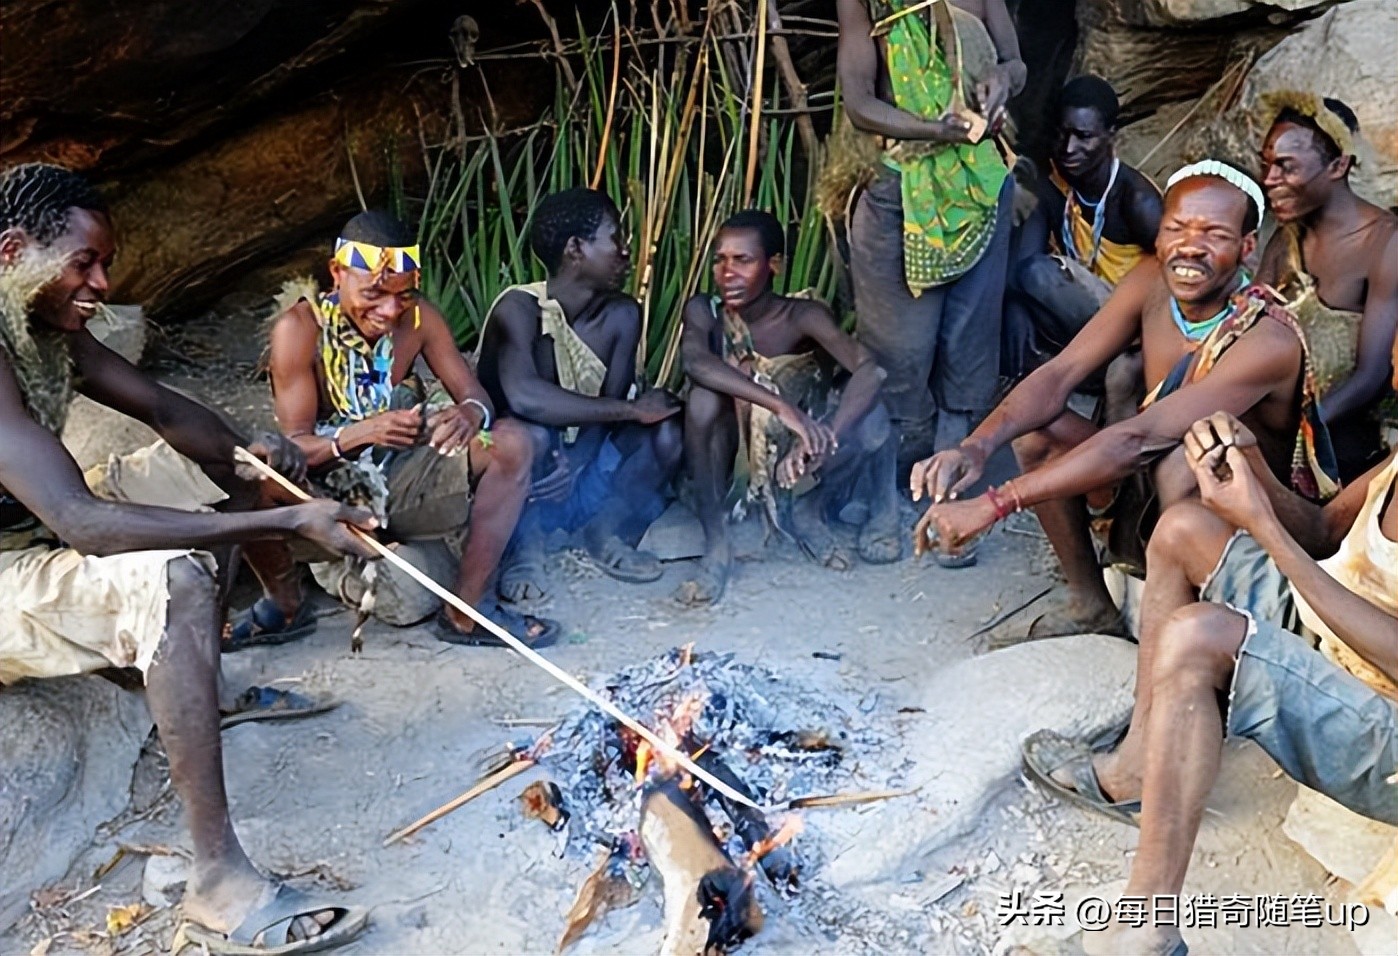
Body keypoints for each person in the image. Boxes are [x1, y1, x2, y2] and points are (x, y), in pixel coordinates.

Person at [0, 163, 374, 951]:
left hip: (38, 527)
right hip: (16, 561)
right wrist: (293, 518)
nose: (102, 283)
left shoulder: (40, 318)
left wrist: (258, 460)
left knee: (224, 465)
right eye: (85, 263)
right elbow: (81, 523)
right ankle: (217, 882)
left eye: (103, 264)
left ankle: (203, 684)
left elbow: (160, 405)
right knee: (174, 580)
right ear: (13, 252)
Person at [1023, 399, 1398, 955]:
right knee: (1182, 529)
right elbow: (1323, 531)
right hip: (1343, 643)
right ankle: (1137, 768)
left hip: (1388, 732)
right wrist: (1253, 469)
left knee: (1199, 638)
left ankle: (1145, 930)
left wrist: (1263, 527)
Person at [911, 160, 1339, 641]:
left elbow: (1139, 438)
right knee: (1039, 432)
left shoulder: (1266, 339)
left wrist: (995, 504)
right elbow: (1060, 374)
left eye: (1215, 234)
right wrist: (975, 447)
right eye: (1176, 228)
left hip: (1238, 513)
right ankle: (1092, 605)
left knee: (1191, 460)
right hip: (1149, 475)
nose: (1189, 246)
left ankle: (1189, 636)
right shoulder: (1151, 282)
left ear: (1246, 248)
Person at [267, 210, 559, 647]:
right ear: (337, 273)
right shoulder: (300, 329)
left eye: (402, 295)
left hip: (397, 473)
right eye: (374, 293)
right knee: (259, 471)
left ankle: (466, 613)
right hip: (333, 494)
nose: (389, 311)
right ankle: (289, 600)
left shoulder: (418, 318)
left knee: (514, 443)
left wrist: (468, 415)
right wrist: (361, 433)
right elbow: (294, 452)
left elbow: (475, 396)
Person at [676, 210, 900, 605]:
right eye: (720, 260)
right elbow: (694, 362)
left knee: (872, 416)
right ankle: (717, 541)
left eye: (743, 260)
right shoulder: (705, 311)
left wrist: (825, 437)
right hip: (738, 462)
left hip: (798, 460)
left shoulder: (801, 316)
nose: (727, 273)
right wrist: (780, 407)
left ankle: (814, 510)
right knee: (702, 401)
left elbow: (870, 370)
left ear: (774, 265)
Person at [836, 0, 1025, 464]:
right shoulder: (869, 4)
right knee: (898, 350)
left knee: (970, 338)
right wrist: (933, 130)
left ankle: (959, 460)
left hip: (980, 183)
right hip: (898, 192)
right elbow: (859, 103)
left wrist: (1001, 79)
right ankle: (898, 466)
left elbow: (1016, 64)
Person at [475, 187, 682, 601]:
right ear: (575, 248)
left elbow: (605, 411)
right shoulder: (518, 308)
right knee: (530, 435)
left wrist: (577, 460)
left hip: (578, 469)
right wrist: (631, 410)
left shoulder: (622, 314)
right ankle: (526, 546)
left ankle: (603, 529)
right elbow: (524, 398)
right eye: (615, 238)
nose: (626, 251)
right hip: (526, 474)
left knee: (668, 432)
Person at [1256, 92, 1398, 482]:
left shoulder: (1384, 244)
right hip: (1276, 425)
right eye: (1266, 164)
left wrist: (1302, 430)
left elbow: (1372, 376)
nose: (1269, 180)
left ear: (1338, 166)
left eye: (1285, 167)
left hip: (1342, 446)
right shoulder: (1286, 240)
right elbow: (1246, 327)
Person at [1005, 75, 1161, 420]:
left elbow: (1172, 282)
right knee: (1015, 300)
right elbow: (1019, 273)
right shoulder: (1059, 186)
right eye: (1062, 134)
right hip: (1084, 319)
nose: (1068, 148)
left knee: (1039, 274)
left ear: (1111, 135)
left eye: (1084, 137)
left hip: (1128, 328)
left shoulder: (1137, 201)